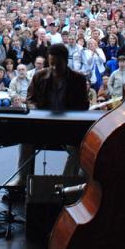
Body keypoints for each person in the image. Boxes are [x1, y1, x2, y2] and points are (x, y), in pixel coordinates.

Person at [13, 43, 89, 186]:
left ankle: (67, 183)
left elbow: (84, 106)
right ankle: (23, 179)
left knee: (79, 146)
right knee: (25, 140)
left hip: (69, 127)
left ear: (66, 61)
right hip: (43, 125)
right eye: (51, 63)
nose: (54, 67)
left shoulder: (78, 79)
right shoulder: (39, 76)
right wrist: (35, 109)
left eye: (58, 64)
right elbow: (30, 99)